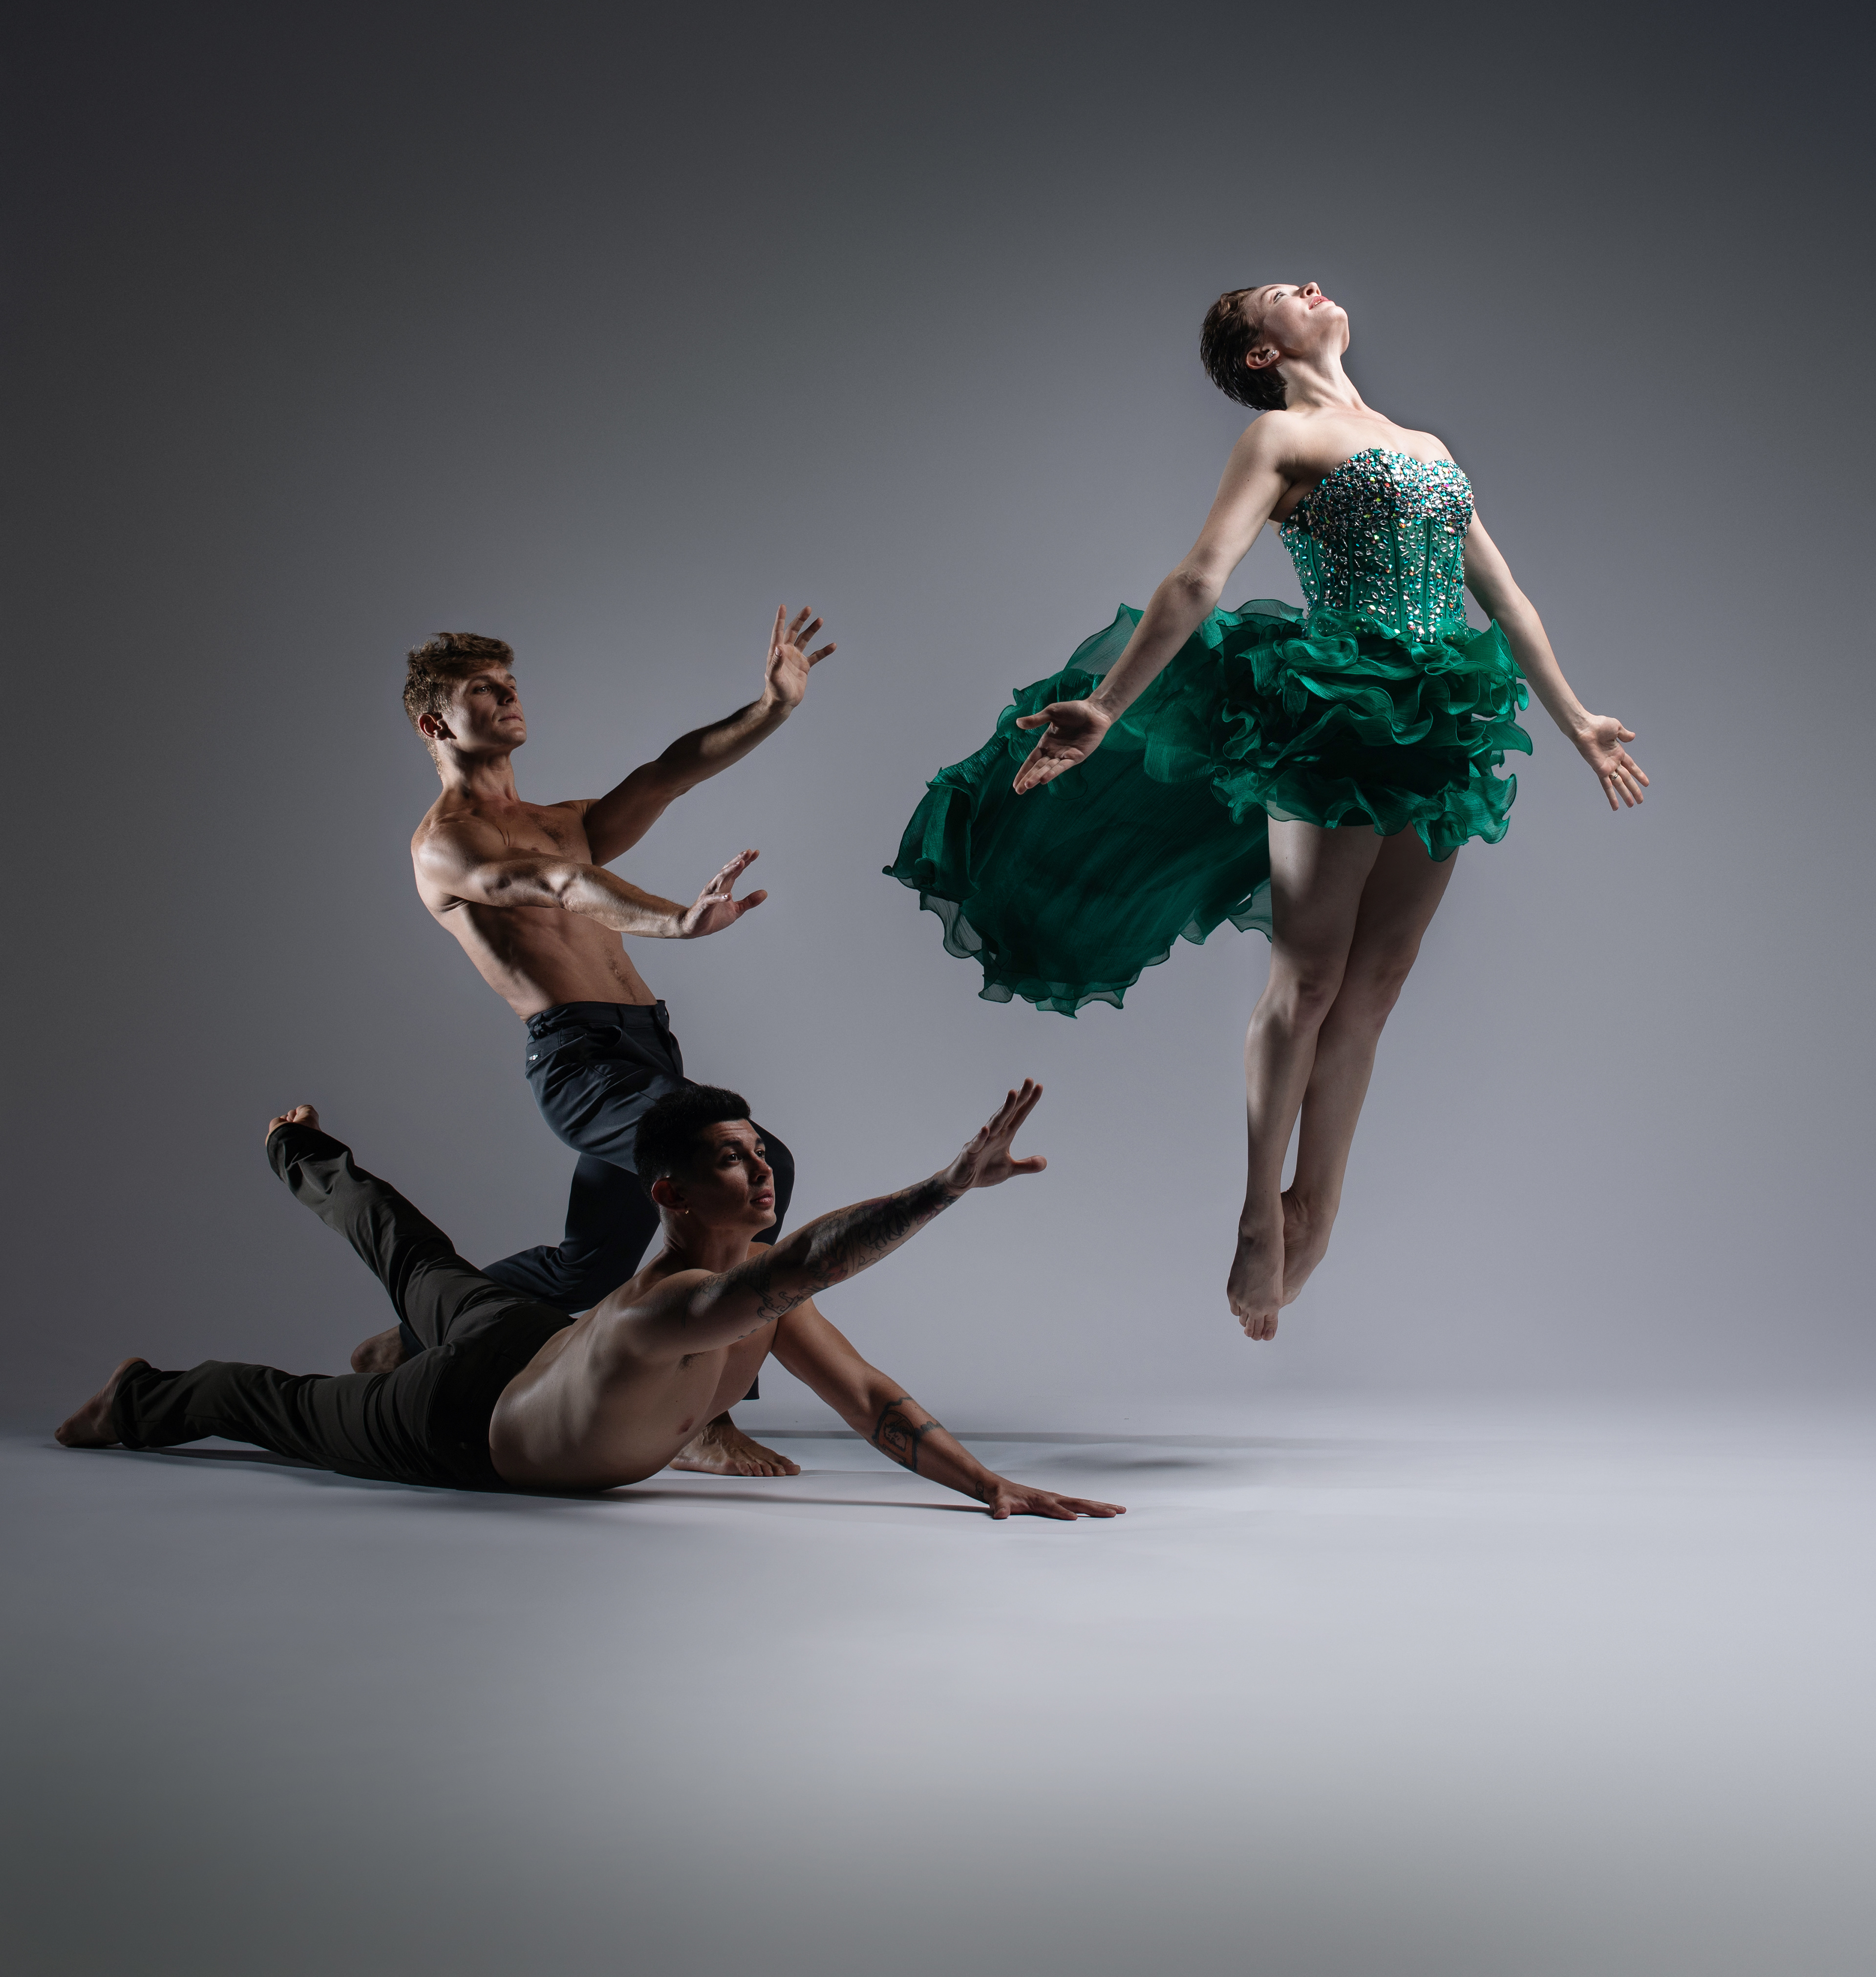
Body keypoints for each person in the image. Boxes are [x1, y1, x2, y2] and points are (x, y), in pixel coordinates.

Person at [887, 281, 1645, 1341]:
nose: (1311, 286)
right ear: (1258, 355)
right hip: (1335, 712)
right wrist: (1109, 706)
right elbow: (1199, 579)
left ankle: (1316, 1208)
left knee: (1378, 984)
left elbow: (1505, 598)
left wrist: (1578, 721)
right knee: (1313, 974)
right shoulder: (1282, 438)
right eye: (1282, 294)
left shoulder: (1427, 446)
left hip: (1442, 719)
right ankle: (1258, 1209)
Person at [56, 1087, 1123, 1524]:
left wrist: (988, 1485)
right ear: (669, 1194)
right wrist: (944, 1188)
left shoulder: (756, 1297)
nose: (760, 1173)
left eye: (759, 1153)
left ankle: (324, 1192)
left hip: (527, 1341)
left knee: (418, 1255)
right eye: (730, 1160)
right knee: (273, 1404)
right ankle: (138, 1396)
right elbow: (803, 1268)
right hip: (454, 1423)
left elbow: (872, 1400)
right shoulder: (672, 1307)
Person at [356, 606, 837, 1480]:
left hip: (648, 1051)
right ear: (435, 724)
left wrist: (770, 708)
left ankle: (409, 1337)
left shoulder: (564, 819)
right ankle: (706, 1413)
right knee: (743, 1171)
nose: (509, 697)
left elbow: (667, 775)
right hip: (581, 1065)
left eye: (510, 683)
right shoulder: (445, 846)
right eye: (483, 690)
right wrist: (675, 922)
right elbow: (560, 885)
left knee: (587, 1267)